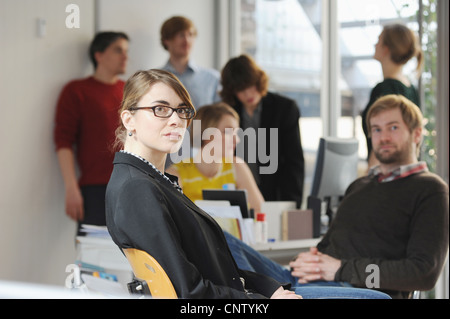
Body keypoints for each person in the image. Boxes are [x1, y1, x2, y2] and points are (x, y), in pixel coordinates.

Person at [105, 69, 389, 299]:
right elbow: (188, 293)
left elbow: (211, 269)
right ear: (129, 119)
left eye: (182, 110)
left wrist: (270, 288)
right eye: (160, 109)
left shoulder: (155, 180)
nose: (177, 120)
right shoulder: (137, 188)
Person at [225, 95, 448, 299]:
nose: (383, 137)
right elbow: (328, 245)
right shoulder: (360, 185)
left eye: (393, 127)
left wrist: (341, 270)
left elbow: (422, 273)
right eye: (377, 129)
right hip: (303, 281)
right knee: (220, 238)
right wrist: (310, 261)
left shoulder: (430, 189)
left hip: (360, 291)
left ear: (417, 133)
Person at [54, 31, 129, 235]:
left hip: (130, 186)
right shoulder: (76, 91)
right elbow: (63, 142)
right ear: (99, 55)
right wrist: (71, 188)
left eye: (126, 51)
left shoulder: (130, 92)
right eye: (118, 50)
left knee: (132, 260)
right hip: (95, 190)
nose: (125, 56)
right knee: (93, 259)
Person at [220, 54, 305, 208]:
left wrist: (292, 205)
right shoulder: (227, 112)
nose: (247, 94)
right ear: (232, 91)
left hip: (275, 195)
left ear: (258, 81)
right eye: (240, 90)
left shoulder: (284, 109)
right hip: (235, 194)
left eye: (250, 85)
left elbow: (294, 162)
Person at [166, 102, 264, 213]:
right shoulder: (176, 175)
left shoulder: (236, 167)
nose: (236, 140)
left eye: (236, 132)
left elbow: (260, 212)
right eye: (227, 131)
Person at [362, 23, 423, 168]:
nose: (375, 44)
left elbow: (383, 142)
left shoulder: (385, 88)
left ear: (386, 49)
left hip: (388, 172)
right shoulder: (410, 88)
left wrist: (367, 182)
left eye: (378, 40)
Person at [160, 16, 221, 108]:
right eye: (181, 35)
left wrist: (197, 123)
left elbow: (219, 116)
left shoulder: (212, 78)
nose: (187, 40)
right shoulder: (155, 79)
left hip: (200, 123)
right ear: (166, 40)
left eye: (191, 35)